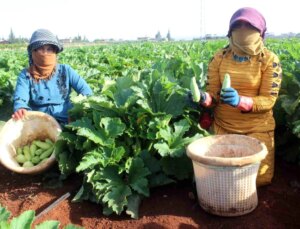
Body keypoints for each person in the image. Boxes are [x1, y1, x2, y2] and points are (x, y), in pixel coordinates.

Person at [195, 7, 282, 186]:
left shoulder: (269, 60)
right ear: (230, 30)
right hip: (224, 127)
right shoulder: (219, 57)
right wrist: (204, 99)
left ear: (260, 31)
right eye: (238, 25)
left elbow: (269, 100)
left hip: (257, 128)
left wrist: (240, 101)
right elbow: (213, 95)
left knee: (260, 179)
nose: (243, 29)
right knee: (219, 177)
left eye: (249, 25)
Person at [12, 29, 93, 125]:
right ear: (33, 52)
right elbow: (20, 97)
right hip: (39, 122)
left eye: (49, 49)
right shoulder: (26, 75)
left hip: (66, 119)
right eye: (41, 49)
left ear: (55, 52)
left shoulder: (66, 71)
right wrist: (21, 107)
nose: (45, 53)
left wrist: (76, 111)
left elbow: (86, 92)